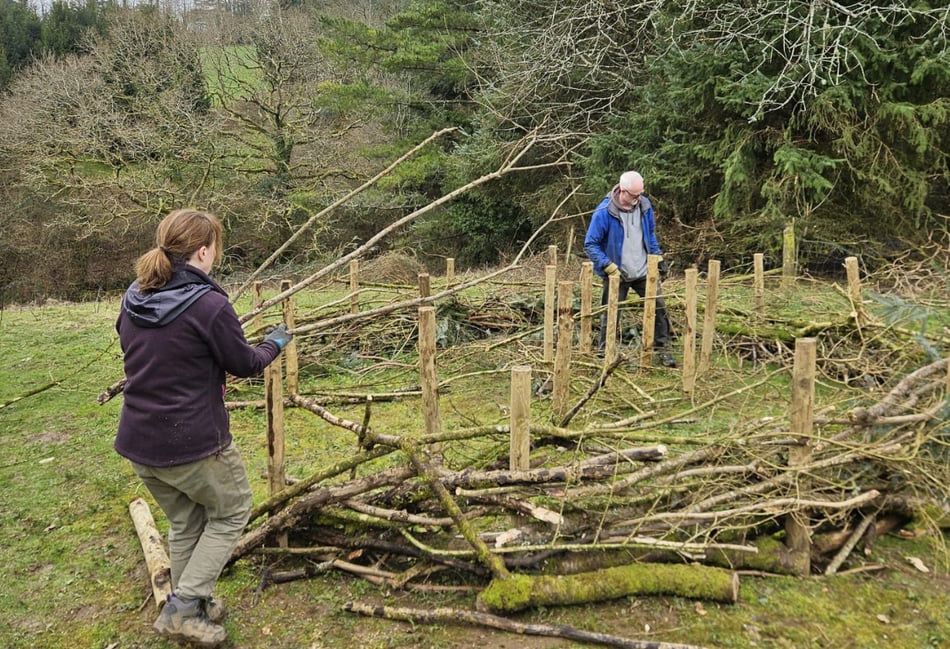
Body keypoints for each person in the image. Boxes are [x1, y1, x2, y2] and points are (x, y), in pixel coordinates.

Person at [114, 208, 293, 647]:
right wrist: (275, 342)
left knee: (185, 519)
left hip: (140, 442)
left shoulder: (134, 295)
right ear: (203, 250)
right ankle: (182, 608)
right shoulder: (209, 304)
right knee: (232, 511)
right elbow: (245, 363)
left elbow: (147, 348)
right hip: (192, 444)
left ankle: (194, 602)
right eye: (216, 247)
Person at [584, 171, 677, 367]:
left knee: (659, 309)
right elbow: (591, 244)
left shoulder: (644, 205)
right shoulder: (605, 212)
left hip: (643, 271)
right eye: (634, 195)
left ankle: (663, 350)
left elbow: (650, 234)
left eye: (640, 194)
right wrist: (608, 266)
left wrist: (658, 258)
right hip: (617, 273)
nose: (638, 198)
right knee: (611, 314)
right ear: (623, 191)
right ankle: (604, 353)